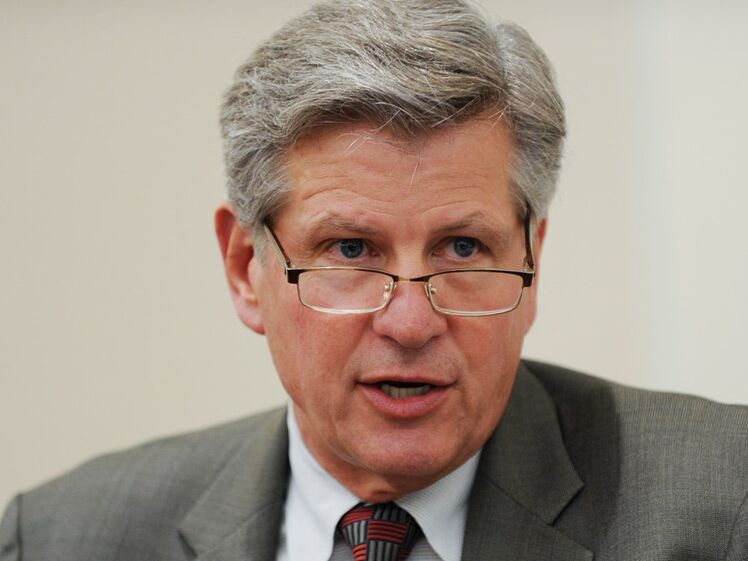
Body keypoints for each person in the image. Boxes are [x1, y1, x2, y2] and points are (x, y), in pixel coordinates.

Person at [1, 0, 746, 559]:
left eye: (462, 247)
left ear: (532, 261)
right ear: (244, 268)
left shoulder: (721, 502)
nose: (411, 322)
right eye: (351, 249)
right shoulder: (64, 537)